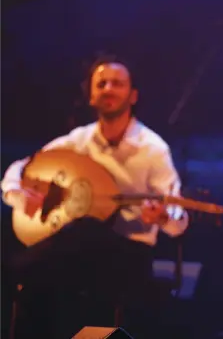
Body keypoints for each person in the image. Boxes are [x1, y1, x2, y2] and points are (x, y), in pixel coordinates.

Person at [2, 54, 189, 338]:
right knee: (39, 282)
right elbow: (20, 168)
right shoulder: (79, 141)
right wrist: (20, 196)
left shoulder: (152, 148)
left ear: (133, 94)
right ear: (91, 96)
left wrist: (163, 217)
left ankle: (10, 273)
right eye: (101, 84)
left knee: (86, 229)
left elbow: (177, 214)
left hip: (128, 255)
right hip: (73, 254)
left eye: (118, 84)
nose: (109, 89)